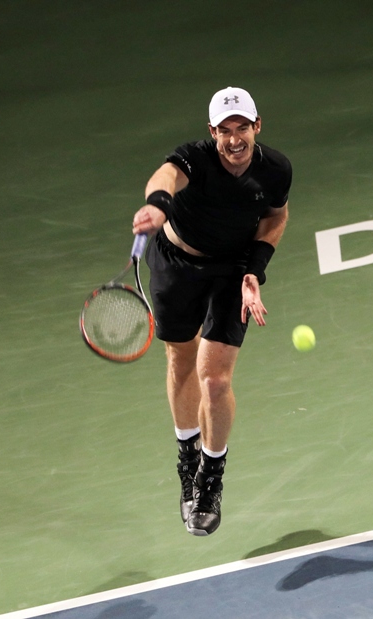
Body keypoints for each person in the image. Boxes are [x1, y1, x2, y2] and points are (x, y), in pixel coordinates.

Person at [131, 87, 292, 536]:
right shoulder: (194, 159)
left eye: (243, 128)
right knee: (181, 358)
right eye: (225, 130)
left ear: (257, 126)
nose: (235, 139)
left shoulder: (275, 169)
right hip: (177, 264)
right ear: (212, 133)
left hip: (232, 270)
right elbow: (164, 177)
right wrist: (158, 206)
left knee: (215, 378)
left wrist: (254, 272)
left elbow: (275, 218)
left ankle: (210, 476)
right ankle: (188, 455)